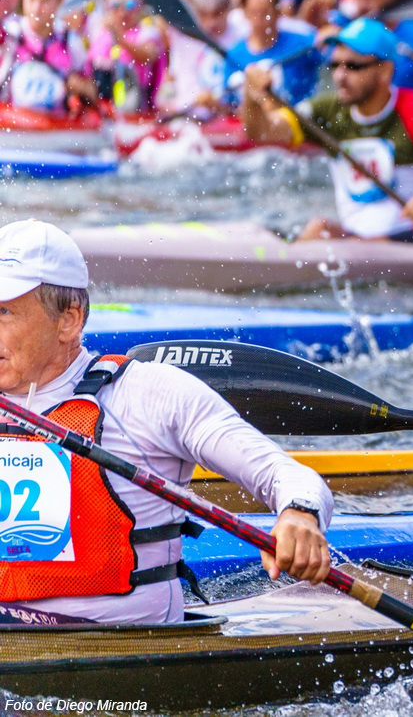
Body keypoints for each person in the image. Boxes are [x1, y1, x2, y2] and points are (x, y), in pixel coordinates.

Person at [0, 219, 332, 625]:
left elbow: (285, 474)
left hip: (123, 646)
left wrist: (299, 514)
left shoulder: (148, 394)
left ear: (69, 320)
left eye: (4, 312)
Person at [241, 18, 413, 245]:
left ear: (385, 71)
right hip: (362, 244)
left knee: (320, 231)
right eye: (335, 65)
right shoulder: (327, 111)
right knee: (320, 229)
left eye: (353, 66)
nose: (340, 76)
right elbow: (262, 132)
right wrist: (251, 97)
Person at [224, 0, 323, 106]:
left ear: (278, 12)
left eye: (265, 13)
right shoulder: (235, 55)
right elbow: (228, 103)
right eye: (254, 13)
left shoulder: (301, 43)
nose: (260, 21)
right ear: (245, 14)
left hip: (300, 115)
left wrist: (327, 29)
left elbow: (332, 53)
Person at [0, 0, 96, 114]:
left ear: (58, 1)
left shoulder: (70, 40)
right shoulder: (9, 32)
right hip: (12, 123)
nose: (37, 8)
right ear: (22, 0)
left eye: (45, 0)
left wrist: (77, 86)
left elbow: (92, 93)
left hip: (56, 124)